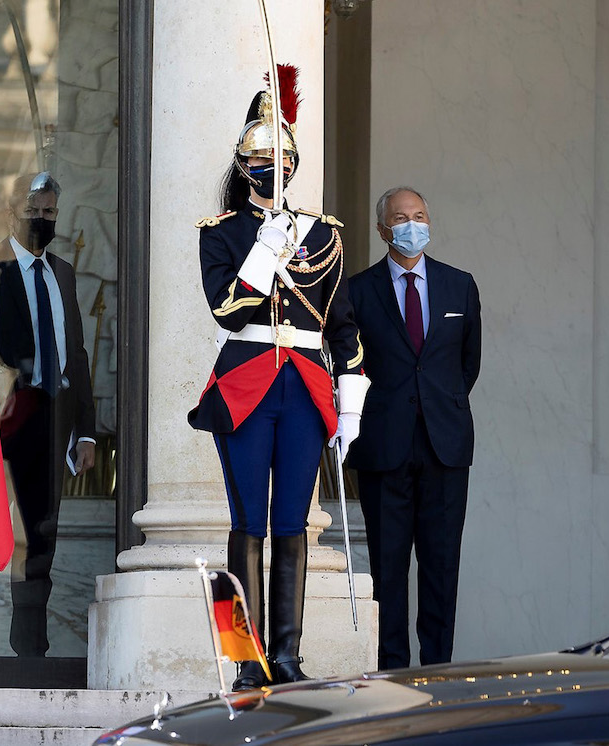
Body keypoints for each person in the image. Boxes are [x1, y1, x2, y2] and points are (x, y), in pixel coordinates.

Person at [188, 66, 369, 690]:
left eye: (281, 156)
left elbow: (340, 322)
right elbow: (226, 308)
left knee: (293, 521)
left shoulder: (323, 233)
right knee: (248, 523)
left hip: (305, 384)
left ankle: (286, 656)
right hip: (246, 381)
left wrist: (351, 406)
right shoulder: (223, 233)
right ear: (244, 164)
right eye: (261, 156)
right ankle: (246, 657)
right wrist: (265, 250)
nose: (273, 165)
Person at [0, 172, 97, 657]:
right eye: (34, 211)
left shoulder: (62, 271)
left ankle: (30, 647)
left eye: (50, 212)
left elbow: (75, 353)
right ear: (12, 213)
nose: (42, 219)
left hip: (51, 418)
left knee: (40, 537)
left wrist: (87, 432)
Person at [345, 186, 482, 671]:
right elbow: (349, 364)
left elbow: (468, 365)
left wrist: (435, 404)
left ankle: (438, 673)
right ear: (383, 230)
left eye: (419, 215)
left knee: (442, 566)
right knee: (388, 569)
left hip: (445, 445)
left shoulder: (459, 285)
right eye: (400, 218)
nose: (411, 224)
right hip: (383, 446)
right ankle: (392, 673)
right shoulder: (357, 290)